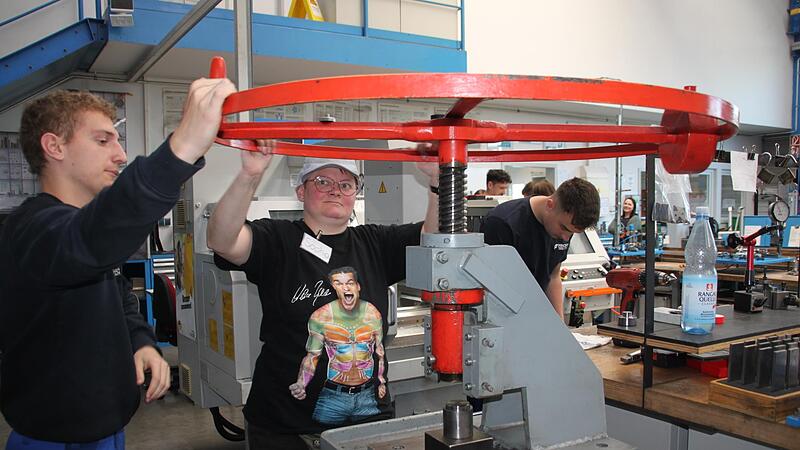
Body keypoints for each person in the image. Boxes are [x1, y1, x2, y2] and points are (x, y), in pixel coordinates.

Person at [0, 80, 235, 449]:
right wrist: (182, 146)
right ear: (54, 146)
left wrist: (139, 341)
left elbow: (117, 292)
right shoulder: (32, 229)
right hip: (53, 439)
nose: (121, 154)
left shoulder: (81, 229)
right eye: (102, 140)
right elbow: (88, 243)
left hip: (106, 431)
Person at [207, 151, 439, 449]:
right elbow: (222, 240)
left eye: (346, 184)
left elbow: (434, 241)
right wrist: (249, 175)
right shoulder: (278, 240)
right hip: (285, 428)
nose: (335, 190)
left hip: (366, 425)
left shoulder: (375, 243)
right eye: (323, 181)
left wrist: (438, 181)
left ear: (356, 193)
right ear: (301, 190)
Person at [481, 178, 600, 320]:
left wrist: (559, 325)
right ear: (550, 205)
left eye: (572, 233)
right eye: (563, 228)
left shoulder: (564, 228)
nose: (566, 238)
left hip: (534, 313)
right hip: (501, 315)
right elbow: (491, 284)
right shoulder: (502, 223)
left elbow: (553, 276)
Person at [290, 266, 386, 425]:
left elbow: (379, 351)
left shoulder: (372, 314)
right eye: (339, 284)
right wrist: (302, 383)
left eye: (350, 283)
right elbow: (312, 356)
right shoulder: (321, 317)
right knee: (325, 441)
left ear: (358, 286)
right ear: (334, 287)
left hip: (367, 395)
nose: (346, 287)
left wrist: (381, 382)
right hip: (334, 397)